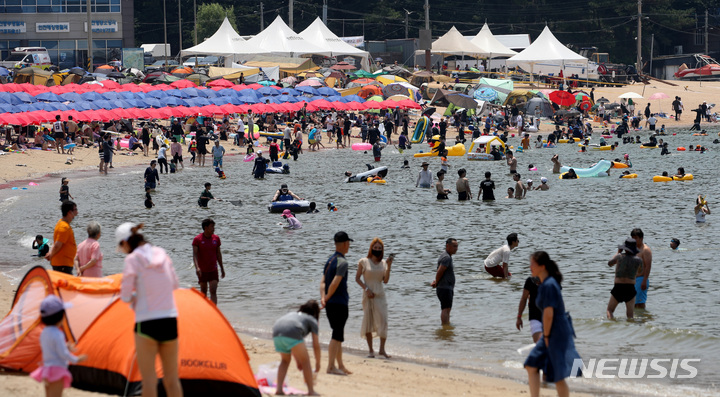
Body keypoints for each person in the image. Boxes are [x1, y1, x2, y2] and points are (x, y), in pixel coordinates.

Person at [117, 223, 182, 397]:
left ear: (125, 242)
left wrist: (136, 297)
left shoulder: (132, 260)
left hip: (146, 323)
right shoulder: (162, 253)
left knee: (149, 380)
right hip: (170, 320)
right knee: (172, 380)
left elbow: (124, 296)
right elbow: (174, 284)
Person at [524, 251, 581, 397]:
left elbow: (549, 314)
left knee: (557, 375)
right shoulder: (545, 284)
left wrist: (547, 336)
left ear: (542, 266)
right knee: (533, 366)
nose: (530, 267)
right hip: (552, 331)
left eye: (532, 264)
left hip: (555, 332)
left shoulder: (549, 285)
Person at [29, 295, 88, 397]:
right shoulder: (58, 333)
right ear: (60, 317)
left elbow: (51, 347)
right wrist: (76, 359)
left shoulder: (44, 332)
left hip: (47, 369)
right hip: (57, 370)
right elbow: (63, 354)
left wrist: (64, 346)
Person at [320, 231, 353, 375]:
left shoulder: (329, 260)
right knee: (337, 334)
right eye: (348, 243)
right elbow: (335, 282)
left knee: (338, 334)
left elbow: (322, 282)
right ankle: (331, 366)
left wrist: (323, 297)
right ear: (346, 244)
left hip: (330, 303)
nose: (349, 246)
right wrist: (327, 298)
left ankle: (340, 365)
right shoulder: (343, 262)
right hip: (339, 302)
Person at [272, 300, 321, 396]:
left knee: (285, 361)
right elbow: (316, 345)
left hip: (276, 331)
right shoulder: (312, 320)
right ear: (316, 313)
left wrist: (297, 361)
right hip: (292, 332)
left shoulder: (294, 314)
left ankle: (279, 389)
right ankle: (311, 391)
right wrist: (318, 363)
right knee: (306, 361)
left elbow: (292, 344)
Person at [355, 237, 393, 359]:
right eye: (375, 247)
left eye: (379, 248)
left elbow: (385, 280)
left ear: (382, 250)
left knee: (383, 321)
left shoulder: (383, 263)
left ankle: (382, 350)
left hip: (380, 295)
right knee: (368, 322)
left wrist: (389, 266)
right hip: (368, 295)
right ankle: (371, 350)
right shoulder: (364, 261)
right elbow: (357, 279)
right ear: (371, 248)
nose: (377, 249)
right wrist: (366, 289)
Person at [607, 238, 644, 319]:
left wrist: (618, 252)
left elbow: (609, 263)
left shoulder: (619, 257)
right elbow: (640, 271)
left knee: (609, 310)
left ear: (625, 248)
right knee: (630, 316)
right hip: (630, 288)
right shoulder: (639, 260)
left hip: (618, 287)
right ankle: (630, 330)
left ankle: (611, 327)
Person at [192, 218, 225, 304]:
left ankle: (214, 311)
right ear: (205, 228)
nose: (214, 228)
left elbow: (218, 254)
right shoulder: (197, 239)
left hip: (213, 269)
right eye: (212, 227)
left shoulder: (216, 239)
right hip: (202, 270)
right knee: (203, 292)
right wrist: (197, 268)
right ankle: (204, 311)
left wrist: (222, 268)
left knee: (213, 291)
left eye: (214, 226)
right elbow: (195, 255)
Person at [45, 201, 78, 275]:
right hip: (62, 265)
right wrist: (51, 255)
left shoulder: (61, 223)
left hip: (63, 264)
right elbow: (57, 245)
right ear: (70, 212)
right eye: (75, 210)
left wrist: (51, 253)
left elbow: (56, 243)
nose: (77, 212)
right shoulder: (64, 227)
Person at [431, 238, 457, 325]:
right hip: (445, 288)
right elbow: (440, 271)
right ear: (447, 246)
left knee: (447, 308)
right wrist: (437, 282)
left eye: (457, 246)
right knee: (446, 309)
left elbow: (440, 272)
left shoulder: (446, 256)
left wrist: (436, 281)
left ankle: (445, 328)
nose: (456, 248)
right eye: (454, 246)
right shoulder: (446, 257)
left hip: (445, 287)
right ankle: (445, 326)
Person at [631, 228, 652, 309]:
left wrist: (644, 281)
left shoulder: (645, 250)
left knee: (640, 303)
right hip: (633, 280)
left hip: (641, 279)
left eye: (636, 238)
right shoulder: (633, 248)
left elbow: (648, 266)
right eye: (633, 238)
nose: (634, 240)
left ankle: (643, 319)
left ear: (641, 238)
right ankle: (636, 320)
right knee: (633, 304)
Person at [516, 276, 542, 342]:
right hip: (535, 318)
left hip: (551, 318)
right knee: (539, 343)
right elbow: (524, 298)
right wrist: (519, 317)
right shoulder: (530, 280)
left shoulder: (552, 279)